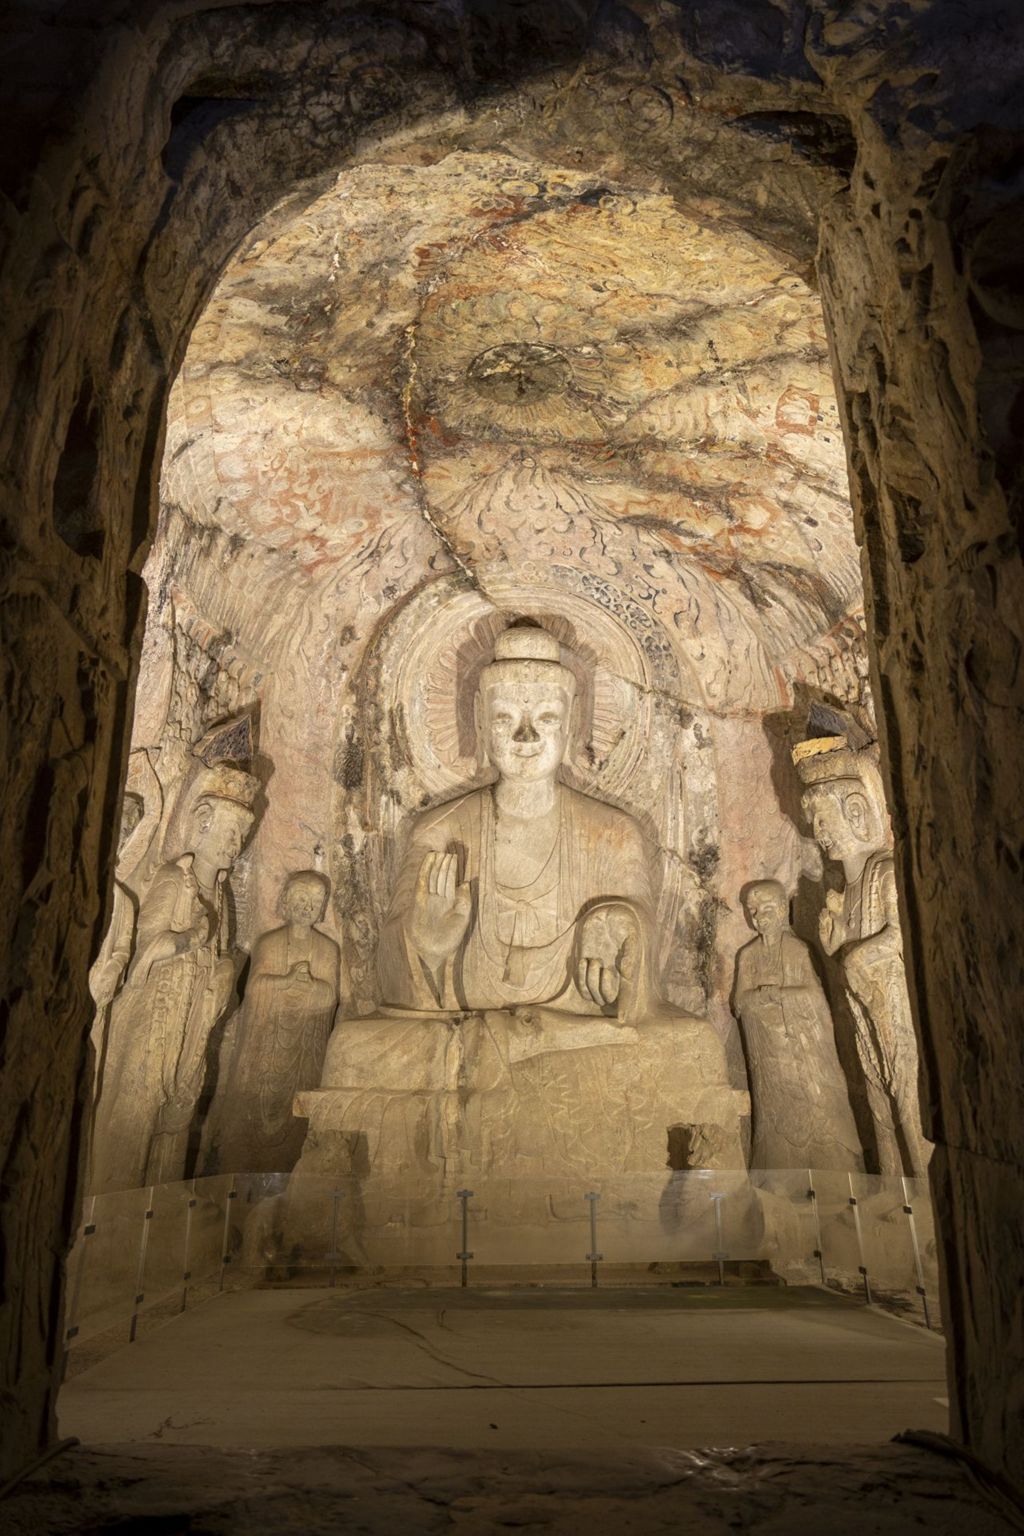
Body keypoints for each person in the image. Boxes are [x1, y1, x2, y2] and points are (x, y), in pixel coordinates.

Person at [377, 623, 654, 1019]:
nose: (526, 737)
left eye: (547, 718)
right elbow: (391, 975)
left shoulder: (614, 833)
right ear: (479, 722)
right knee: (355, 1046)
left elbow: (646, 965)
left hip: (575, 1030)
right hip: (467, 1028)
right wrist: (425, 947)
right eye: (504, 718)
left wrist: (616, 925)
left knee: (696, 1042)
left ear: (573, 722)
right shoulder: (439, 831)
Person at [90, 765, 258, 1191]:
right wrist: (192, 938)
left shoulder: (220, 894)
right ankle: (111, 1203)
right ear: (202, 825)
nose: (236, 845)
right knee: (139, 1103)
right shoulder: (174, 878)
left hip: (194, 1013)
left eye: (242, 836)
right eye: (230, 833)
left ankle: (157, 1206)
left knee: (179, 1108)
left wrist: (223, 970)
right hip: (156, 1011)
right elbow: (149, 946)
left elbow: (222, 956)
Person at [734, 880, 862, 1170]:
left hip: (804, 1052)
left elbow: (814, 997)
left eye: (767, 909)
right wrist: (759, 999)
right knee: (774, 1113)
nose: (759, 916)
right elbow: (739, 1002)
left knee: (818, 1107)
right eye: (753, 910)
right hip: (769, 1056)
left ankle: (835, 1172)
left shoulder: (797, 950)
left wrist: (778, 995)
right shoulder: (748, 955)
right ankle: (776, 1172)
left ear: (782, 910)